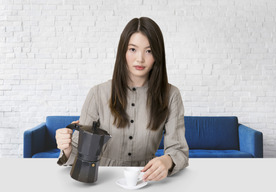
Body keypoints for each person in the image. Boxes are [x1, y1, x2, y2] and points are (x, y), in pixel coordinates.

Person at [56, 17, 189, 182]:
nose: (140, 59)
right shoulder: (98, 94)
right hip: (103, 179)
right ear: (122, 52)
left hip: (146, 179)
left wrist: (166, 160)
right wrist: (67, 147)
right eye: (133, 49)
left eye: (149, 51)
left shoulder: (171, 95)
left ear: (157, 55)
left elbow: (179, 151)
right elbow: (78, 152)